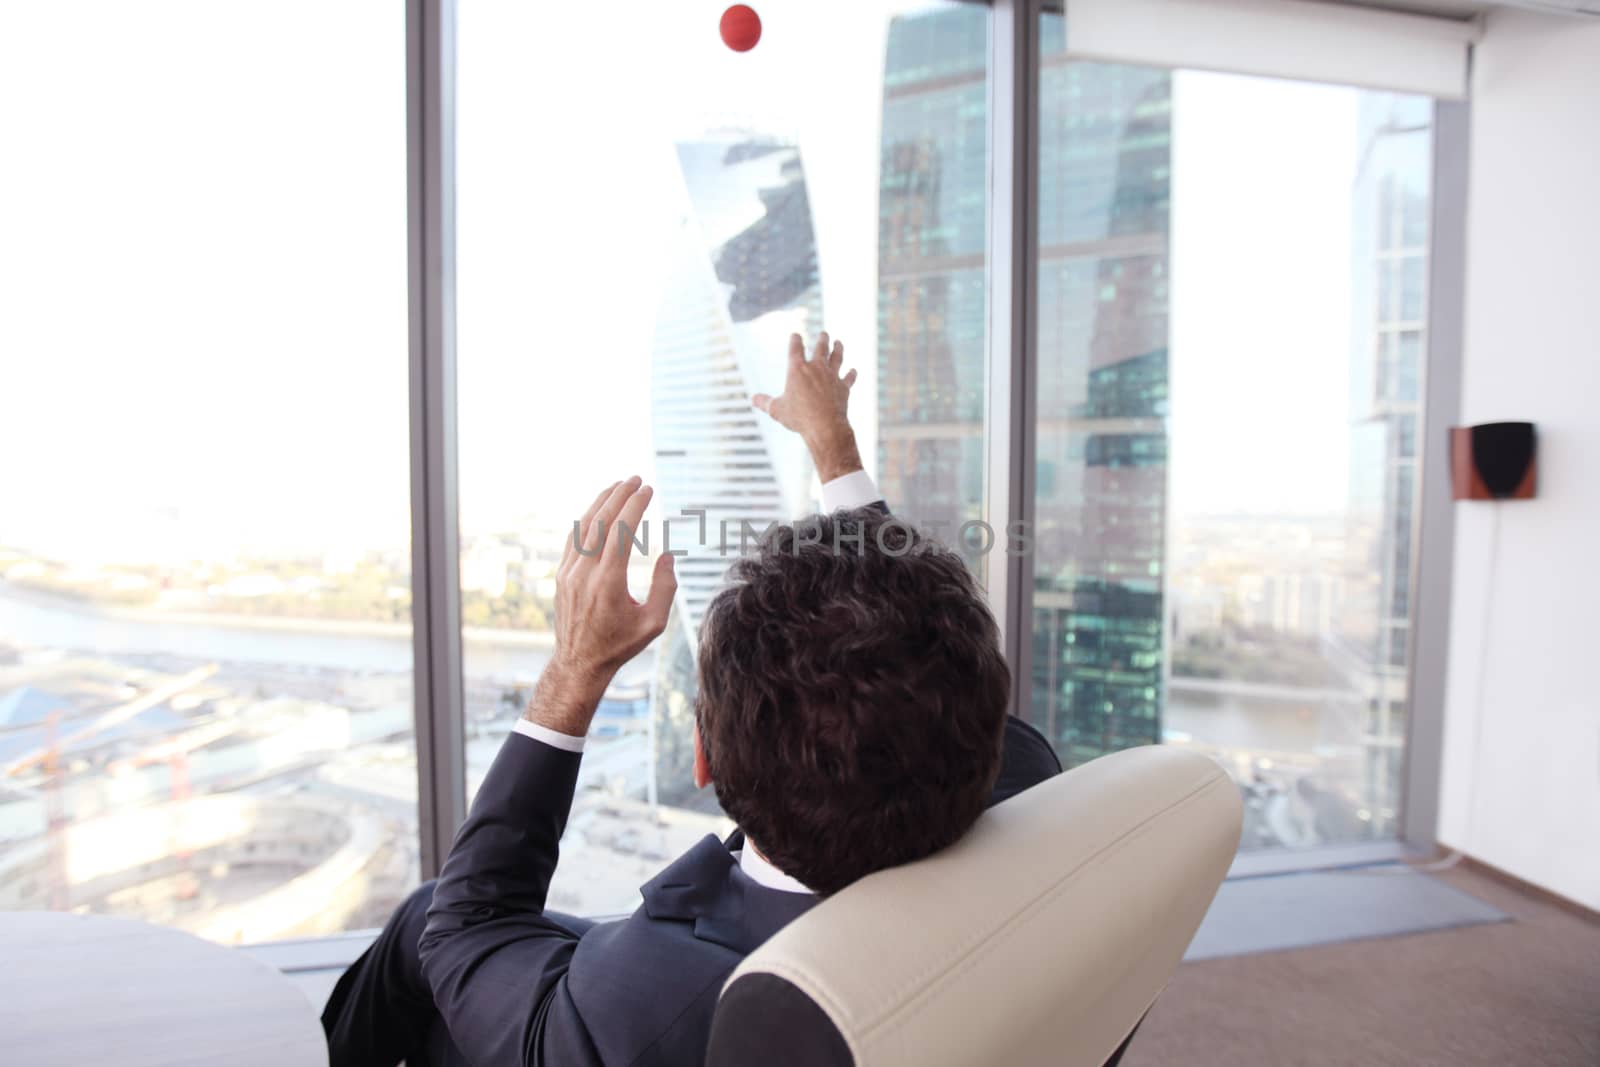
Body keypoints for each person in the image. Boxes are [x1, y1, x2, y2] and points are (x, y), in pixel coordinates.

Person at [321, 333, 1061, 1066]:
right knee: (423, 909)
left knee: (428, 921)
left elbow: (469, 926)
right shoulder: (1024, 774)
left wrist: (574, 671)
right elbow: (918, 644)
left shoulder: (640, 1007)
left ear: (702, 756)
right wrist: (835, 450)